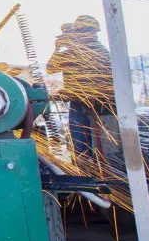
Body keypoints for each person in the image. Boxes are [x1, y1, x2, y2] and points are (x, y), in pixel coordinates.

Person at [47, 14, 115, 161]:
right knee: (81, 148)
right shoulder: (72, 53)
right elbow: (50, 68)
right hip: (79, 103)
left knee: (106, 150)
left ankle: (99, 167)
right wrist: (58, 49)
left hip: (101, 106)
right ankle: (85, 164)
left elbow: (101, 82)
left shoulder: (99, 53)